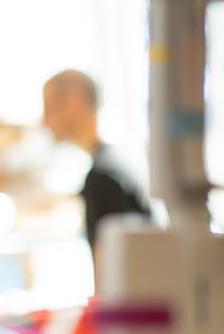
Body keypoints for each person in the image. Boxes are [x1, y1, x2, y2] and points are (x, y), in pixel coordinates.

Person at [42, 70, 150, 251]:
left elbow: (110, 269)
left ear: (77, 101)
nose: (44, 120)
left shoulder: (102, 178)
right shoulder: (114, 163)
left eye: (49, 106)